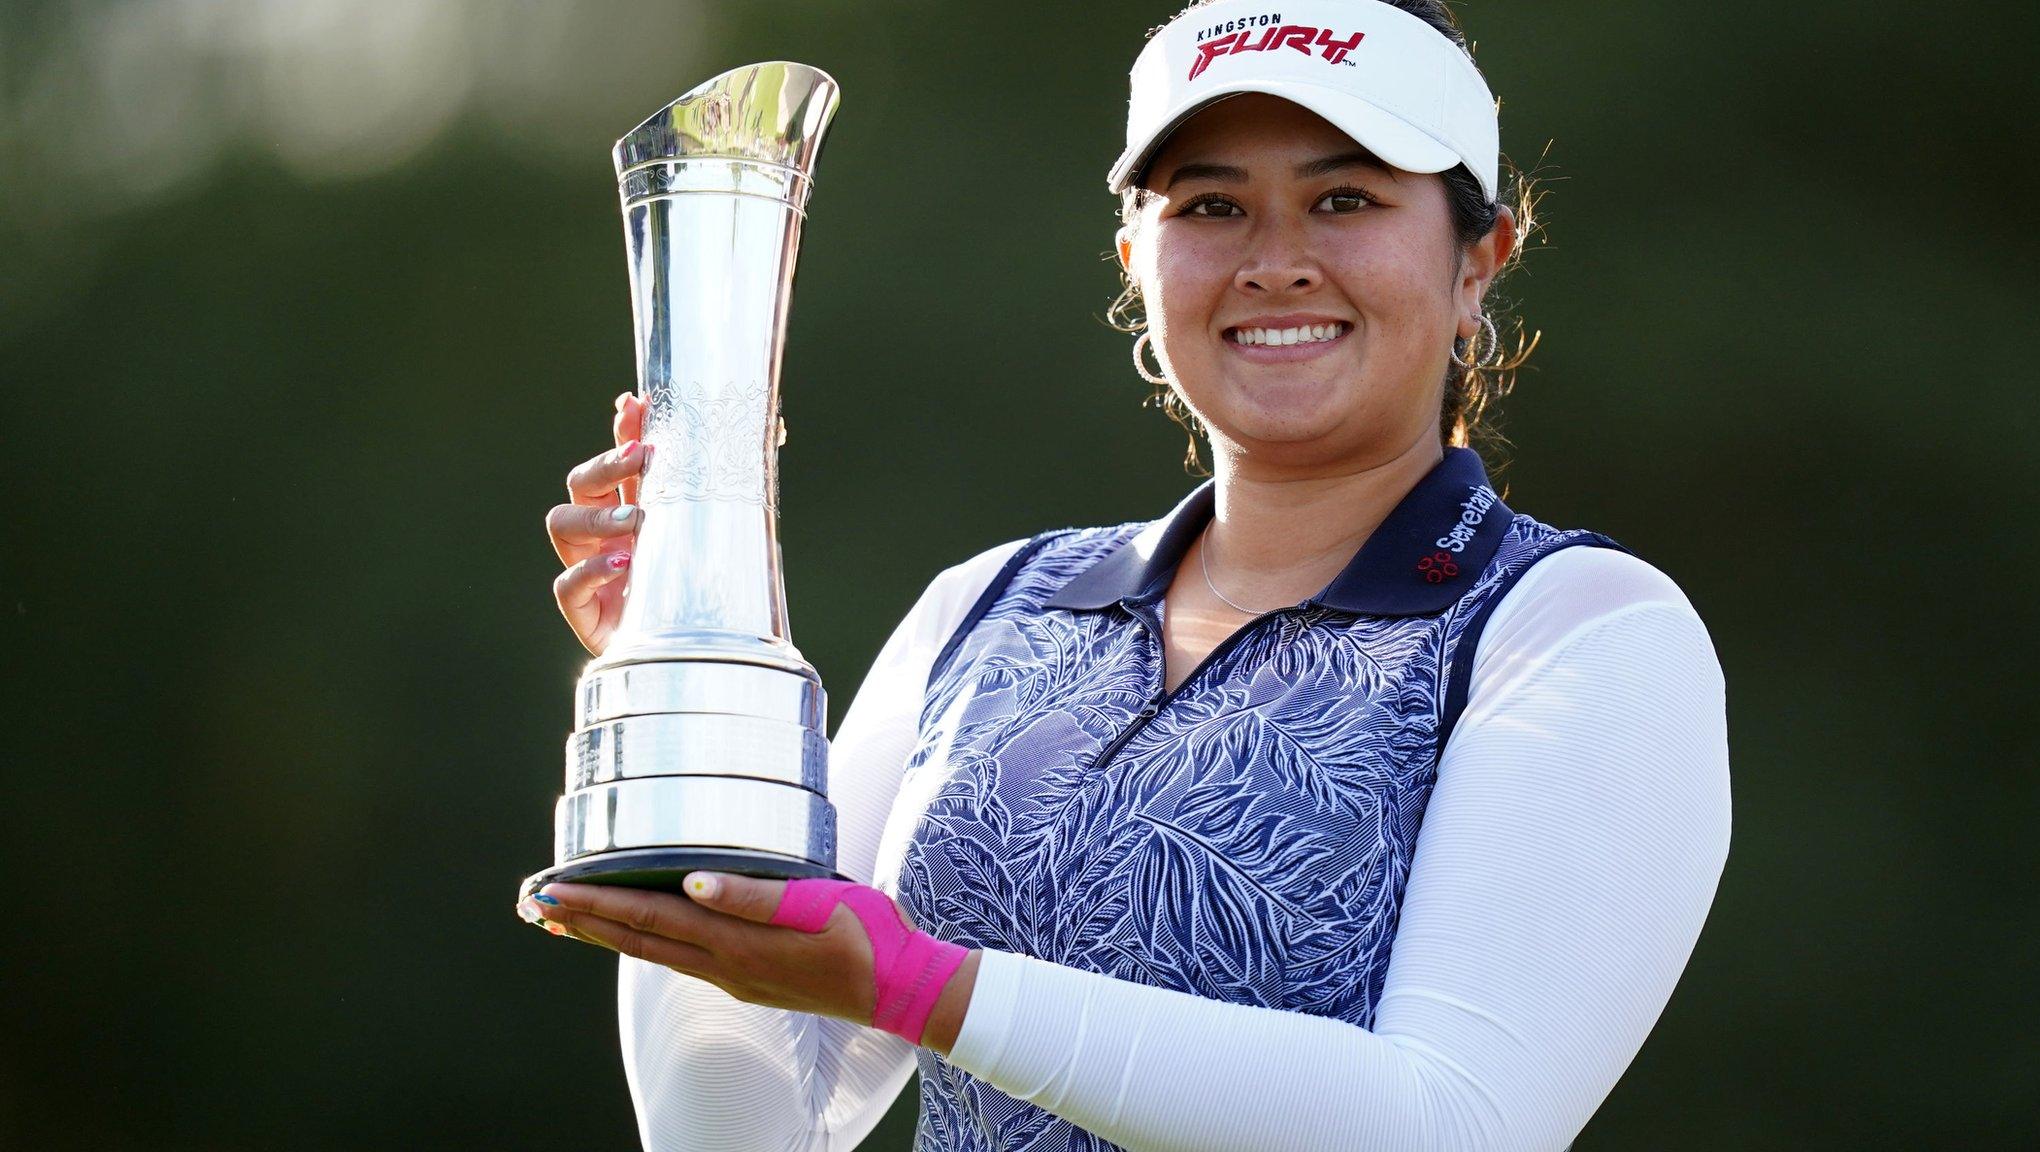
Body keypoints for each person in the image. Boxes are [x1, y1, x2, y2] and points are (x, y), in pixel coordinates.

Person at [523, 1, 1731, 1148]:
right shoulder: (987, 611)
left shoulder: (1579, 631)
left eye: (1344, 199)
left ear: (1477, 261)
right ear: (1133, 260)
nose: (1274, 262)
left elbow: (1451, 1123)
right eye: (1210, 207)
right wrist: (678, 687)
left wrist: (922, 987)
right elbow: (750, 1133)